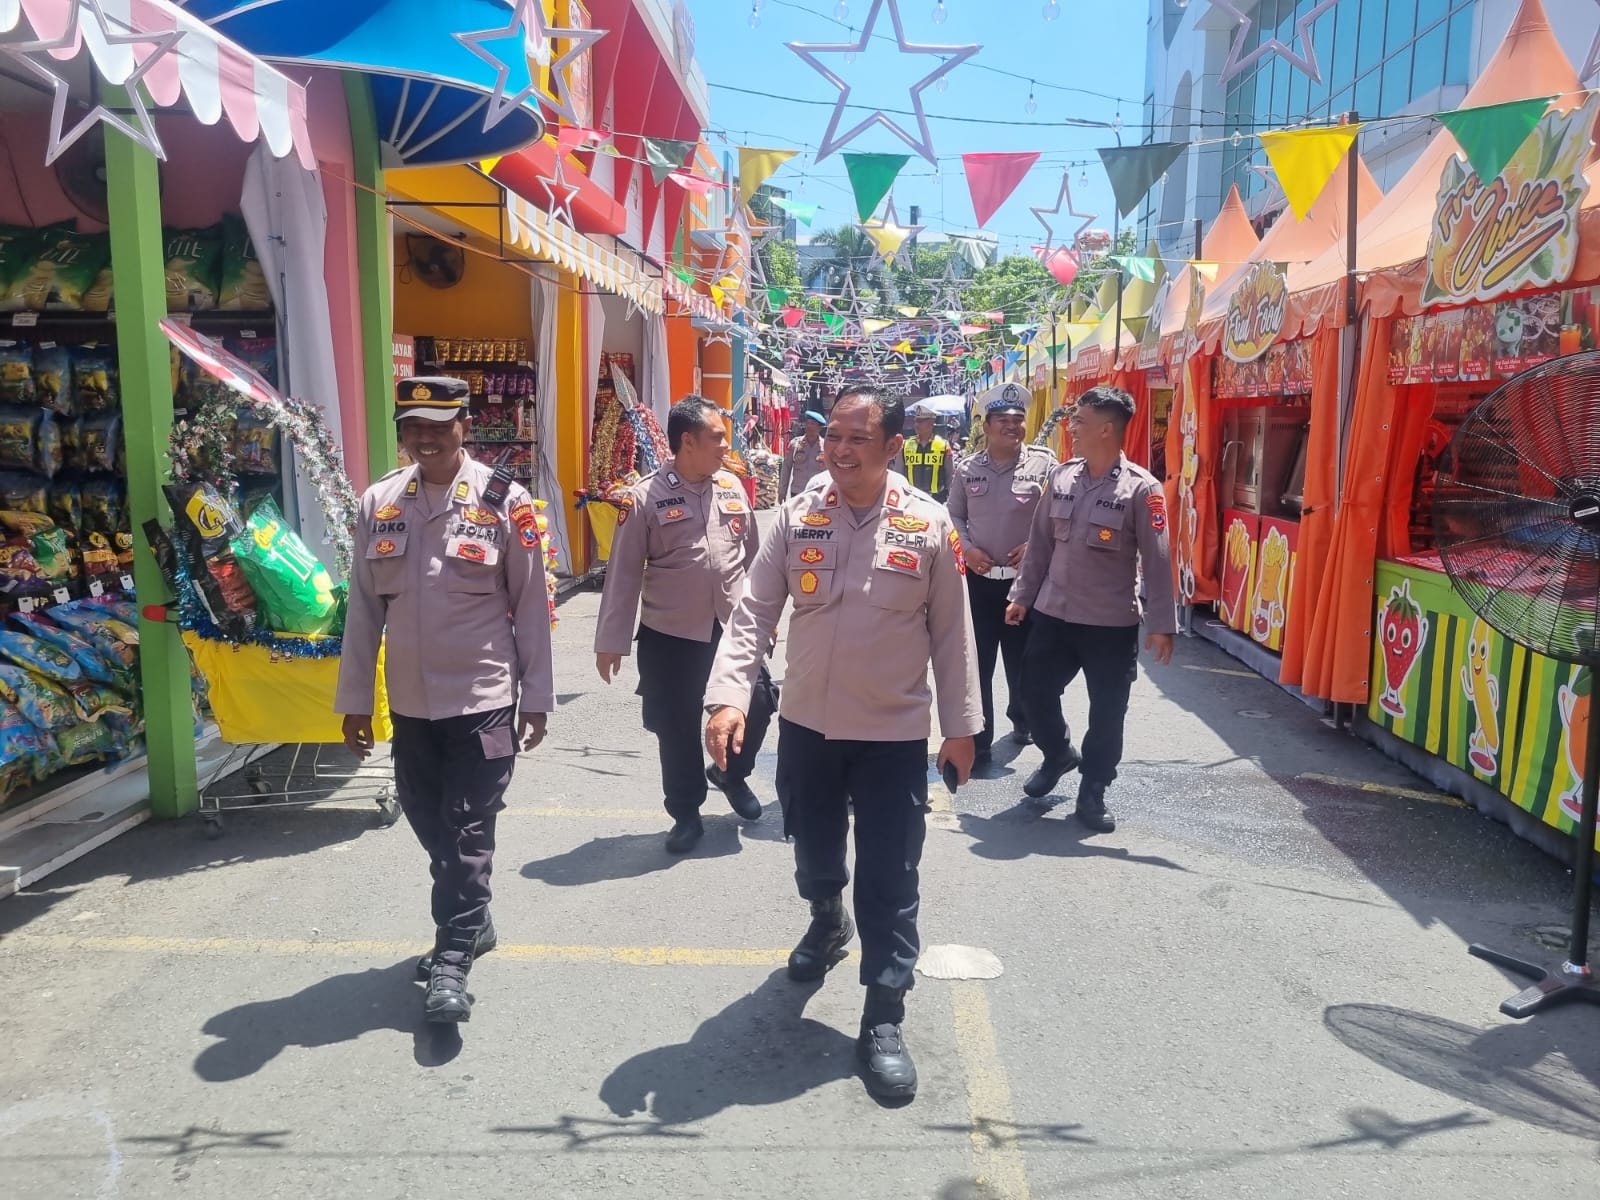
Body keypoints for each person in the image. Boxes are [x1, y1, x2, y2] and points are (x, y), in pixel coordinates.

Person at [704, 386, 981, 1103]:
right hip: (808, 728)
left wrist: (961, 728)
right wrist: (729, 695)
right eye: (834, 436)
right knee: (814, 850)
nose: (841, 450)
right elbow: (753, 612)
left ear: (893, 446)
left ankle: (884, 1013)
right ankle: (827, 921)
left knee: (890, 876)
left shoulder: (928, 524)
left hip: (892, 735)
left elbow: (953, 634)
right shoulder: (799, 514)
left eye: (859, 438)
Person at [336, 376, 555, 1024]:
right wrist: (355, 700)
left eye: (438, 425)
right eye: (413, 426)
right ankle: (473, 921)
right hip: (411, 704)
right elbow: (362, 611)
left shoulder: (505, 501)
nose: (425, 438)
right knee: (430, 821)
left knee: (466, 828)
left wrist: (537, 697)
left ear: (465, 425)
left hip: (482, 698)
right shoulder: (379, 501)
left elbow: (532, 606)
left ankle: (452, 960)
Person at [595, 396, 777, 854]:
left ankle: (731, 774)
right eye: (717, 437)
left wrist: (766, 617)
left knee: (757, 704)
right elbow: (623, 573)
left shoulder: (732, 487)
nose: (725, 446)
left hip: (733, 629)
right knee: (675, 727)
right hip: (671, 635)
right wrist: (611, 640)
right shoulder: (644, 497)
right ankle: (685, 812)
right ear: (687, 442)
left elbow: (754, 560)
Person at [1005, 384, 1176, 833]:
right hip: (1054, 614)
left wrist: (1162, 624)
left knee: (1107, 712)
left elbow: (1158, 560)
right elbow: (1040, 545)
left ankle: (1094, 788)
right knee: (1032, 692)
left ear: (1106, 429)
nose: (1072, 428)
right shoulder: (1062, 477)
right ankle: (1059, 754)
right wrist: (1022, 596)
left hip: (1109, 624)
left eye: (1079, 421)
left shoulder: (1142, 489)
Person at [946, 383, 1056, 763]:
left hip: (1025, 585)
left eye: (1018, 419)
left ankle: (1023, 719)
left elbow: (1058, 514)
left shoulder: (1045, 464)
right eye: (1003, 420)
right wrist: (967, 548)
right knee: (978, 664)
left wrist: (1035, 546)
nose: (1012, 426)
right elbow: (954, 514)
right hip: (978, 583)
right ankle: (979, 742)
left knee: (1023, 661)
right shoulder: (967, 469)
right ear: (987, 426)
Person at [899, 407, 953, 501]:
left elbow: (950, 475)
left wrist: (948, 497)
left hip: (937, 499)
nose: (916, 424)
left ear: (931, 422)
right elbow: (898, 473)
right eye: (916, 421)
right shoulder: (905, 445)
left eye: (920, 421)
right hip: (911, 499)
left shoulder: (943, 445)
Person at [778, 410, 827, 500]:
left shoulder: (826, 447)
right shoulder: (795, 445)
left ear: (819, 427)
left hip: (818, 492)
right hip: (798, 492)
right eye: (807, 423)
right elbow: (786, 468)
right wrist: (782, 491)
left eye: (813, 424)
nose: (809, 426)